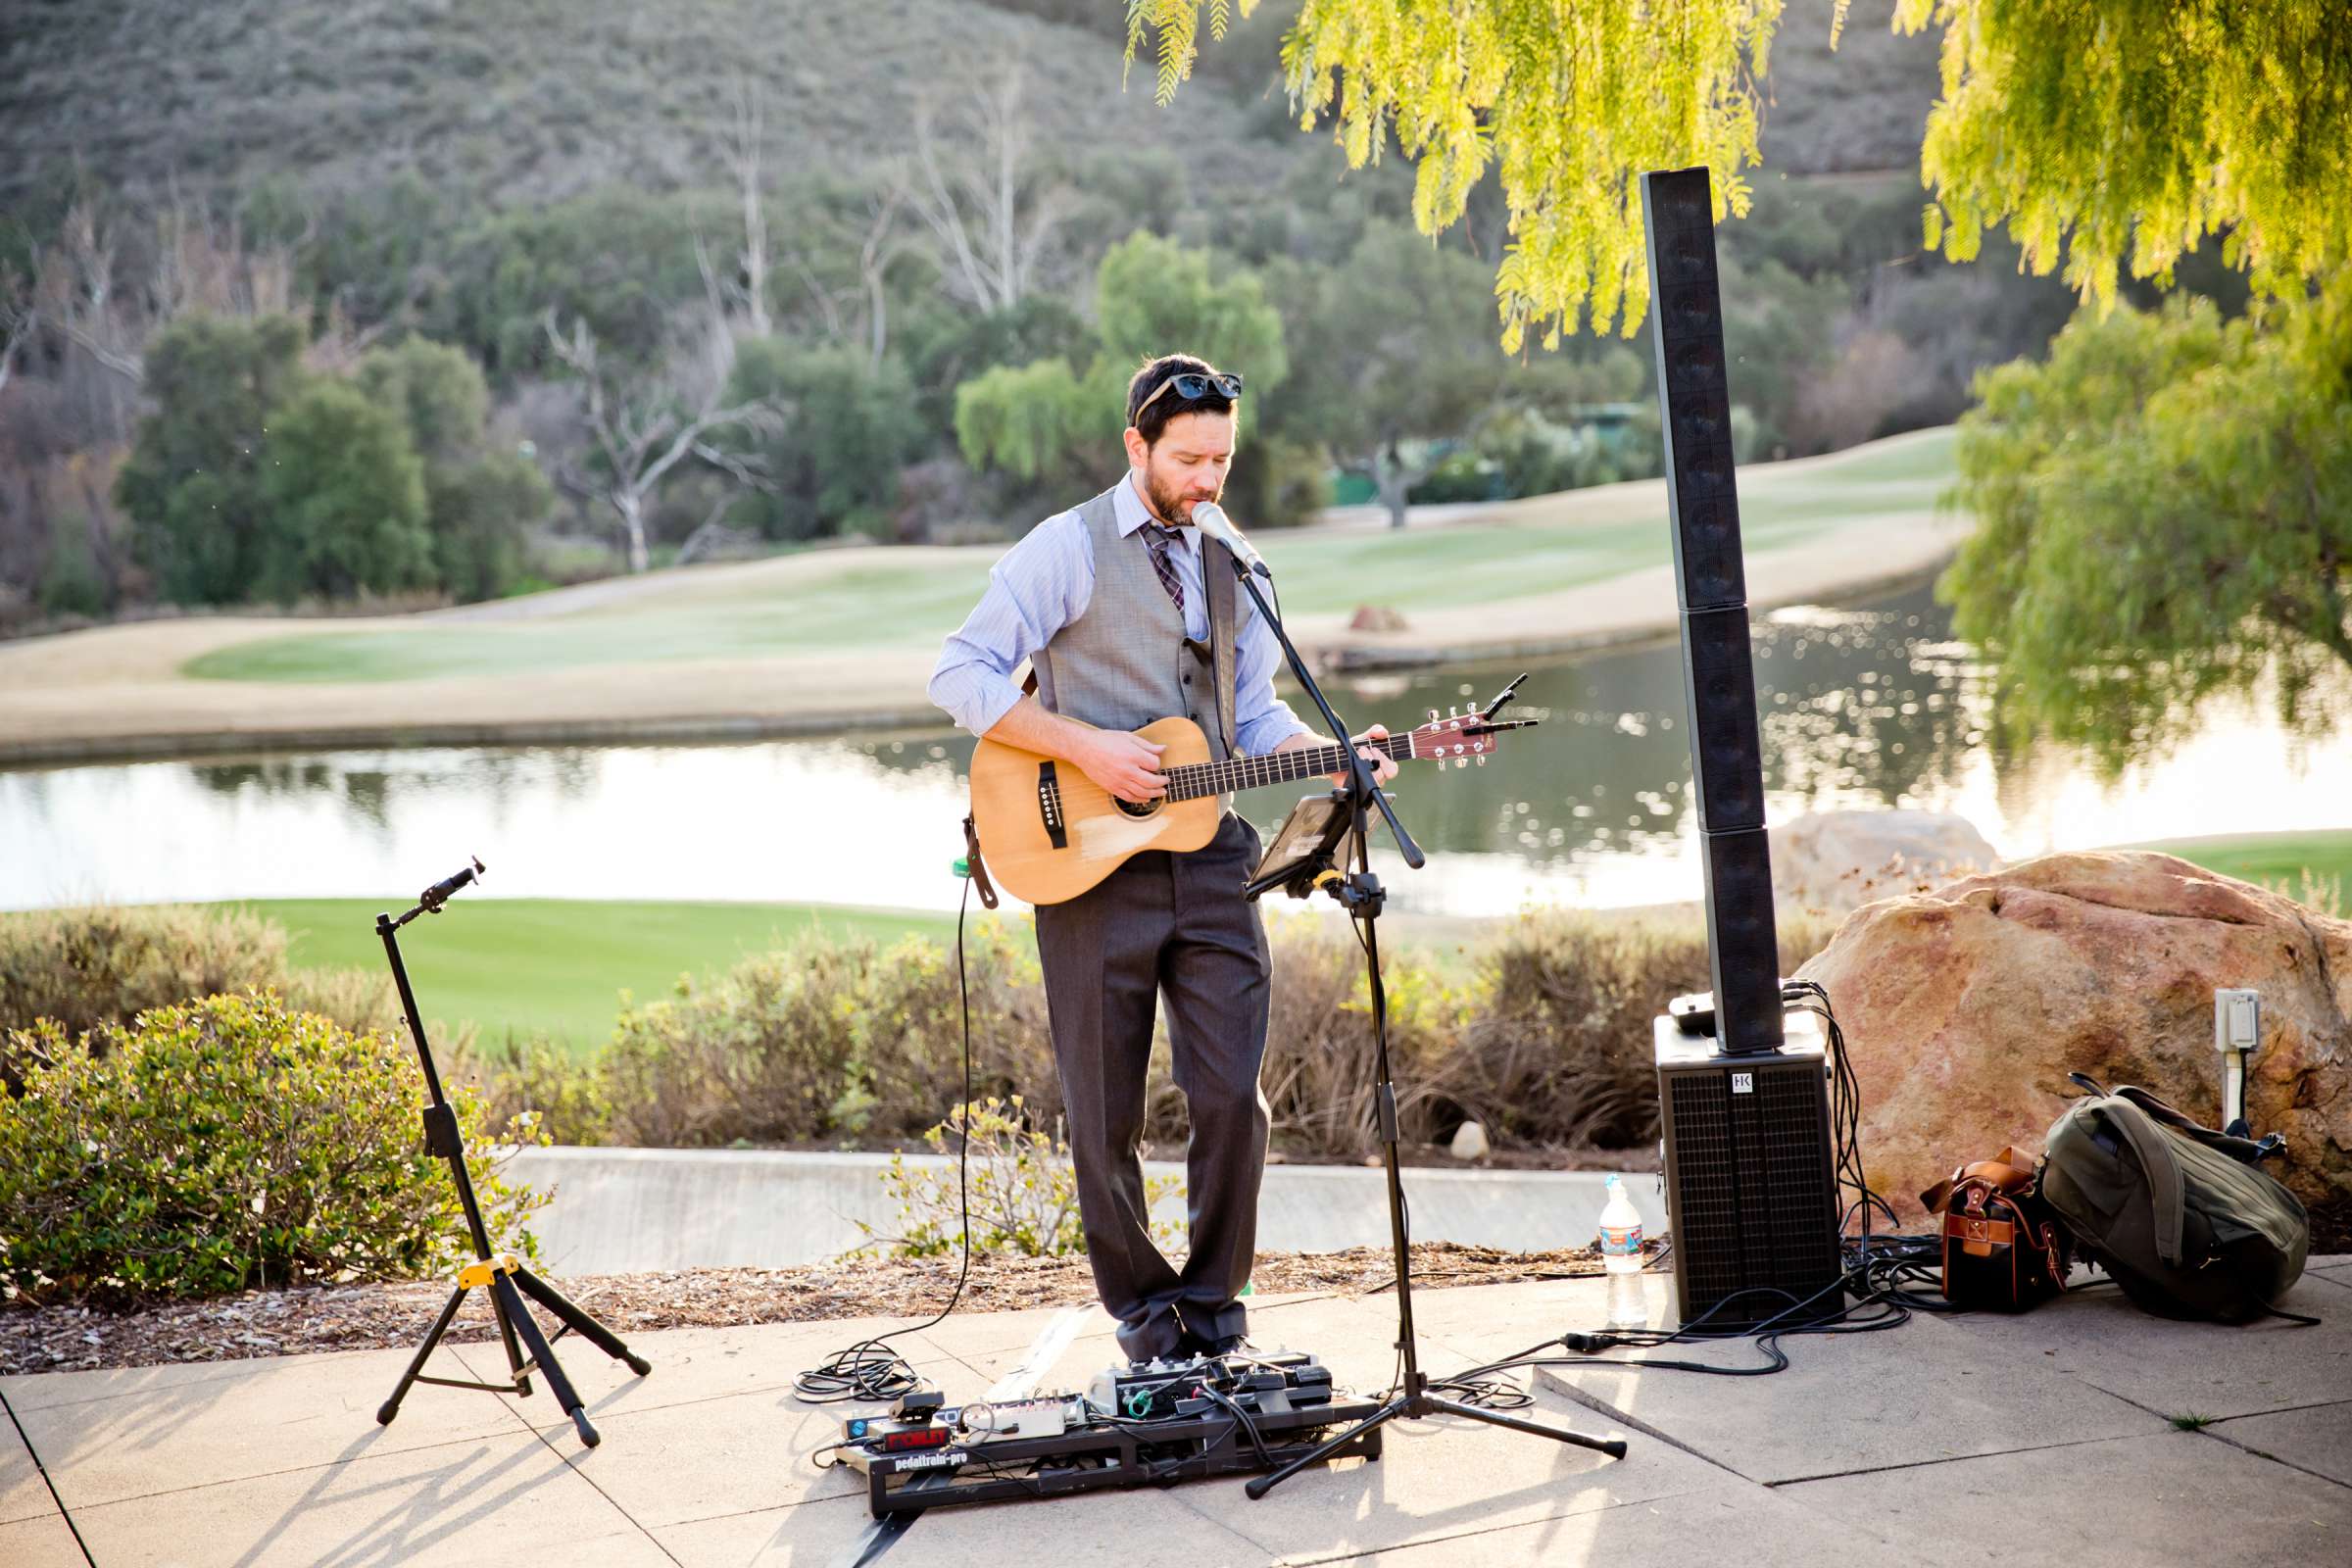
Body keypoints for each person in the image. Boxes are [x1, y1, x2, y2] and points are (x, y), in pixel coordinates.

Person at [928, 353, 1396, 1362]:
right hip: (1086, 867)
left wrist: (1342, 755)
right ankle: (1146, 1312)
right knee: (1103, 1116)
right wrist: (1083, 746)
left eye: (1222, 459)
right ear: (1136, 445)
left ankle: (1216, 1307)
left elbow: (1256, 718)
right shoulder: (1068, 547)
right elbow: (956, 670)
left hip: (1212, 859)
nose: (1207, 480)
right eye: (1188, 458)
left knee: (1234, 1093)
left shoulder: (1239, 562)